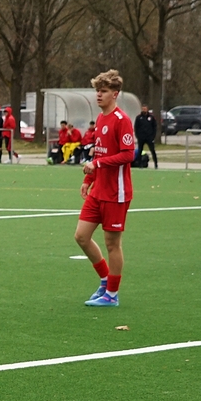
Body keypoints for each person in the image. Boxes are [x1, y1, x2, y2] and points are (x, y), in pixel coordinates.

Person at [75, 70, 135, 307]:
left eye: (104, 91)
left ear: (115, 94)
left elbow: (128, 155)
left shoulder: (122, 120)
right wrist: (88, 179)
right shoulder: (100, 119)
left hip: (116, 193)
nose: (98, 95)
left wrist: (97, 164)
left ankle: (112, 294)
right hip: (98, 190)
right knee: (81, 236)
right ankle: (104, 280)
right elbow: (99, 154)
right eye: (97, 91)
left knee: (112, 244)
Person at [134, 104, 158, 168]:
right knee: (140, 151)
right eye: (143, 109)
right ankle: (140, 164)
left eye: (145, 109)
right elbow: (136, 127)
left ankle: (156, 164)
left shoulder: (151, 117)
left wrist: (153, 136)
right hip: (141, 137)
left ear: (147, 109)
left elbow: (154, 127)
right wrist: (138, 136)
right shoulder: (139, 117)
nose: (144, 110)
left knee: (152, 150)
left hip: (149, 137)